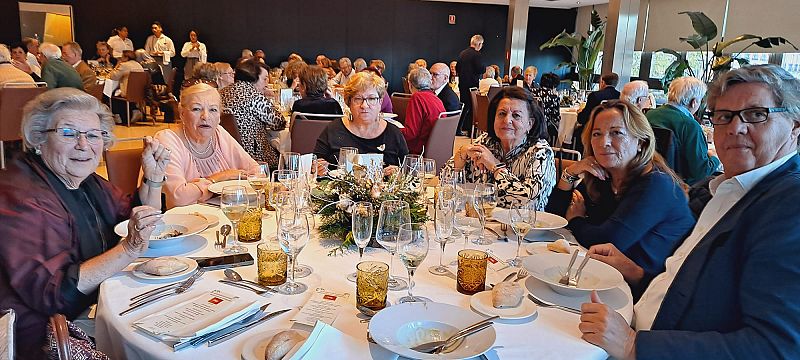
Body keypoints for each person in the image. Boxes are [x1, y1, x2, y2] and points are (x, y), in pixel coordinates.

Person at [578, 64, 800, 360]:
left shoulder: (789, 204)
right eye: (724, 116)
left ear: (795, 125)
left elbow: (778, 348)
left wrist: (633, 346)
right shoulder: (725, 190)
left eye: (756, 114)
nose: (736, 127)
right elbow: (698, 293)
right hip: (631, 320)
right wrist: (639, 274)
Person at [0, 88, 169, 359]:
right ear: (38, 139)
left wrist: (153, 178)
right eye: (68, 133)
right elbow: (54, 293)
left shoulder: (86, 181)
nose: (83, 144)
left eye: (93, 135)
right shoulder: (21, 196)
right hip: (47, 336)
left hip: (94, 308)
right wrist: (128, 250)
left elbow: (129, 220)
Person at [546, 99, 694, 277]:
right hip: (605, 275)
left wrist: (576, 219)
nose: (604, 142)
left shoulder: (656, 184)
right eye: (596, 134)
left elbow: (607, 241)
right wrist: (570, 173)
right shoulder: (602, 175)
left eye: (616, 133)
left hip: (649, 291)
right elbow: (554, 218)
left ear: (641, 142)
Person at [445, 86, 556, 209]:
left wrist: (495, 166)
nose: (507, 120)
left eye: (516, 116)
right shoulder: (486, 141)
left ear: (530, 124)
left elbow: (526, 201)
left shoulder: (540, 152)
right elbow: (445, 184)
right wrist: (462, 153)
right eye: (502, 114)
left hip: (525, 226)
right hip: (482, 222)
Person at [155, 83, 259, 208]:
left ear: (219, 117)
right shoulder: (167, 140)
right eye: (196, 109)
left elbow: (255, 171)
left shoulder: (219, 133)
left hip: (223, 215)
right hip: (181, 222)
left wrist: (197, 189)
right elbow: (178, 198)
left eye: (213, 110)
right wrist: (218, 178)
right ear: (182, 113)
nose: (206, 116)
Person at [314, 72, 408, 168]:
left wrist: (399, 173)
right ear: (349, 102)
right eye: (358, 99)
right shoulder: (333, 130)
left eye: (371, 99)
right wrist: (319, 168)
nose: (364, 105)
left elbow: (408, 172)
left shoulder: (393, 134)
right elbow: (315, 164)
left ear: (380, 102)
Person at [646, 76, 720, 185]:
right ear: (694, 102)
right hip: (680, 185)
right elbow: (700, 172)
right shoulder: (690, 125)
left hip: (649, 176)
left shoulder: (650, 114)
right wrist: (715, 157)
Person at [219, 58, 286, 166]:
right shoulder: (253, 96)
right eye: (264, 79)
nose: (266, 84)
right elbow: (279, 122)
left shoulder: (222, 93)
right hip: (254, 156)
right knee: (284, 158)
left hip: (226, 155)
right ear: (252, 79)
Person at [401, 67, 446, 154]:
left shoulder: (417, 98)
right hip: (436, 149)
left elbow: (410, 134)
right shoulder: (436, 98)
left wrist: (392, 129)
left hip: (418, 150)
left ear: (410, 84)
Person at [576, 73, 620, 153]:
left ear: (602, 82)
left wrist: (579, 113)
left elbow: (583, 118)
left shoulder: (595, 95)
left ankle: (578, 158)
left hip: (594, 128)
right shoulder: (620, 96)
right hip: (614, 131)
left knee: (578, 131)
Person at [456, 35, 485, 136]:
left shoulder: (462, 54)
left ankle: (458, 128)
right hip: (472, 85)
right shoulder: (477, 55)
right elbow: (480, 69)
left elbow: (457, 68)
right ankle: (470, 131)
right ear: (479, 44)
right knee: (472, 107)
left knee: (464, 107)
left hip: (462, 84)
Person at [530, 72, 561, 139]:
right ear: (554, 85)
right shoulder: (554, 96)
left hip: (529, 124)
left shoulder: (531, 91)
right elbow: (556, 117)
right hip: (543, 127)